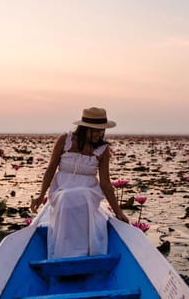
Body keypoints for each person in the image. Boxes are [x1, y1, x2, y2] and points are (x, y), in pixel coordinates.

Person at [31, 107, 129, 259]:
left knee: (81, 195)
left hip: (89, 191)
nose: (99, 134)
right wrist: (41, 195)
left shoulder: (102, 150)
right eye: (95, 131)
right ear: (84, 128)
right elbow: (51, 169)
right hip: (62, 189)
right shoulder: (65, 140)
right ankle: (64, 254)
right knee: (66, 198)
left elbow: (105, 183)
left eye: (101, 131)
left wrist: (118, 211)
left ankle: (82, 253)